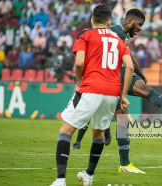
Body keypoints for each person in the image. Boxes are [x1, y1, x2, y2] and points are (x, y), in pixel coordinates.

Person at [71, 8, 162, 174]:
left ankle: (124, 163)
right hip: (112, 77)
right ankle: (121, 160)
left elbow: (129, 57)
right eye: (139, 24)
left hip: (119, 75)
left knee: (124, 118)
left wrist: (141, 74)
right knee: (131, 109)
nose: (140, 28)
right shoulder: (115, 31)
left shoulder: (121, 34)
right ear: (130, 21)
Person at [49, 4, 134, 186]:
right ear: (110, 21)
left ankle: (60, 180)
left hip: (90, 88)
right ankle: (88, 176)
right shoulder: (119, 40)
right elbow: (130, 67)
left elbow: (79, 62)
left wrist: (79, 81)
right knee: (99, 133)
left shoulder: (86, 34)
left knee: (65, 131)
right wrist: (124, 95)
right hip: (112, 94)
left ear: (92, 20)